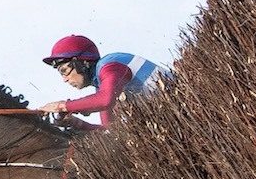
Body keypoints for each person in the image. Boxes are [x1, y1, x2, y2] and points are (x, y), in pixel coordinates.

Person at [33, 35, 171, 126]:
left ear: (82, 62)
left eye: (64, 71)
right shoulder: (101, 86)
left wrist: (63, 105)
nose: (64, 79)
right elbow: (112, 132)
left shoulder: (110, 65)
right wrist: (77, 124)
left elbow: (105, 100)